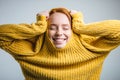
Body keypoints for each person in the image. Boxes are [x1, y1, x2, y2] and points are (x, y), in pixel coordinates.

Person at [0, 7, 120, 80]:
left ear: (73, 29)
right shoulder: (31, 51)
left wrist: (80, 25)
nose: (59, 33)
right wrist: (38, 26)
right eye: (52, 27)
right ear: (45, 30)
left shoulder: (90, 47)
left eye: (66, 27)